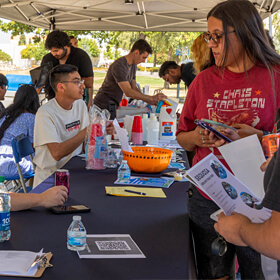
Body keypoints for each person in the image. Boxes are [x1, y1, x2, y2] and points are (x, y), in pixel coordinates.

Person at [176, 0, 280, 279]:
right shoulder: (203, 80)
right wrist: (197, 137)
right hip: (208, 195)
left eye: (217, 36)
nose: (211, 44)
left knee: (258, 274)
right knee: (213, 274)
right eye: (207, 36)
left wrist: (260, 137)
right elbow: (182, 139)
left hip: (262, 200)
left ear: (245, 32)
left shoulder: (275, 76)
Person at [33, 64, 89, 188]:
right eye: (77, 82)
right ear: (61, 87)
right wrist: (88, 131)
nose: (83, 86)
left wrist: (100, 131)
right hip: (50, 179)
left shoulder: (80, 105)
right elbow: (57, 153)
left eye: (81, 81)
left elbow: (85, 145)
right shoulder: (45, 113)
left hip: (74, 172)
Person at [94, 39, 167, 110]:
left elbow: (134, 88)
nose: (143, 61)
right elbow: (128, 91)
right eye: (143, 57)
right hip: (101, 105)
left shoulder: (133, 65)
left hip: (113, 105)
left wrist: (149, 100)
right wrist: (150, 98)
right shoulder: (119, 65)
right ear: (136, 53)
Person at [41, 30, 94, 109]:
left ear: (65, 46)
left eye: (56, 50)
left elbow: (89, 82)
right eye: (51, 51)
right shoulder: (47, 58)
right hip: (53, 103)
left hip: (76, 104)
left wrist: (67, 82)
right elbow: (41, 81)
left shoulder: (81, 56)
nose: (54, 54)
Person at [0, 85, 40, 178]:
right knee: (44, 163)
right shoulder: (30, 118)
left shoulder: (5, 116)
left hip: (2, 163)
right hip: (16, 166)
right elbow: (35, 145)